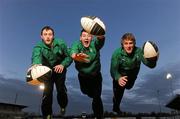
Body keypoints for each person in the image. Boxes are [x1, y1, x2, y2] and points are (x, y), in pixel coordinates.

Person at [110, 33, 158, 114]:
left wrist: (153, 59)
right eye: (126, 43)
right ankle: (116, 107)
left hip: (132, 76)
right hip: (120, 76)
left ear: (134, 43)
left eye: (131, 43)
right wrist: (118, 77)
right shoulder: (116, 54)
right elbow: (113, 70)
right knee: (119, 94)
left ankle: (118, 96)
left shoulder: (139, 51)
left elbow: (150, 65)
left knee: (128, 87)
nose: (128, 46)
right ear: (122, 44)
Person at [31, 26, 72, 119]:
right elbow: (36, 56)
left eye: (50, 34)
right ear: (41, 36)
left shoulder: (61, 43)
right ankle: (47, 114)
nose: (48, 37)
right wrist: (36, 64)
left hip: (59, 68)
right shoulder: (38, 46)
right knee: (47, 91)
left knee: (60, 89)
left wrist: (63, 65)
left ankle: (63, 105)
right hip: (47, 70)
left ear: (53, 36)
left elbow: (69, 56)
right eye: (45, 34)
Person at [70, 29, 105, 118]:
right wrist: (76, 56)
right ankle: (89, 93)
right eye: (84, 36)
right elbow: (73, 52)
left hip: (96, 76)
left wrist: (100, 33)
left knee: (97, 97)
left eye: (89, 36)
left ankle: (99, 116)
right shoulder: (76, 44)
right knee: (85, 92)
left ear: (91, 37)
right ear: (80, 38)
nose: (86, 38)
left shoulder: (94, 44)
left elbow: (100, 40)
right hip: (83, 77)